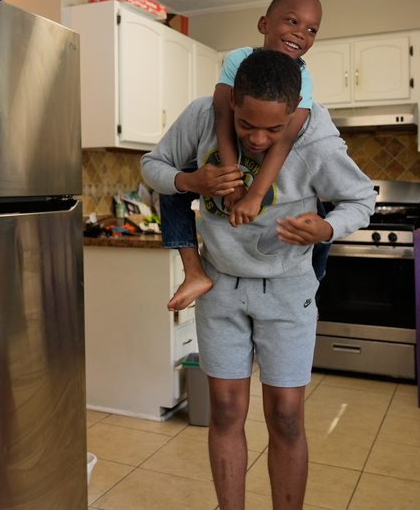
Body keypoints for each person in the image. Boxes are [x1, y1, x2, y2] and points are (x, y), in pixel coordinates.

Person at [141, 50, 375, 509]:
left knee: (286, 417)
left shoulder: (316, 140)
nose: (259, 138)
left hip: (288, 290)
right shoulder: (201, 116)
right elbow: (153, 166)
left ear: (294, 114)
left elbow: (361, 199)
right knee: (225, 410)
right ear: (231, 104)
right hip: (221, 284)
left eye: (274, 129)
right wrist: (192, 181)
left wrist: (327, 228)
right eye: (248, 125)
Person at [160, 0, 327, 312]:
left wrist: (253, 195)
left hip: (275, 168)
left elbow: (285, 142)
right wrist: (232, 179)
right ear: (264, 23)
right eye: (292, 21)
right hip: (228, 155)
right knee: (172, 184)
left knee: (319, 216)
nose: (300, 33)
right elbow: (222, 115)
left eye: (311, 29)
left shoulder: (304, 80)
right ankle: (194, 273)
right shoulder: (237, 59)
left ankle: (311, 285)